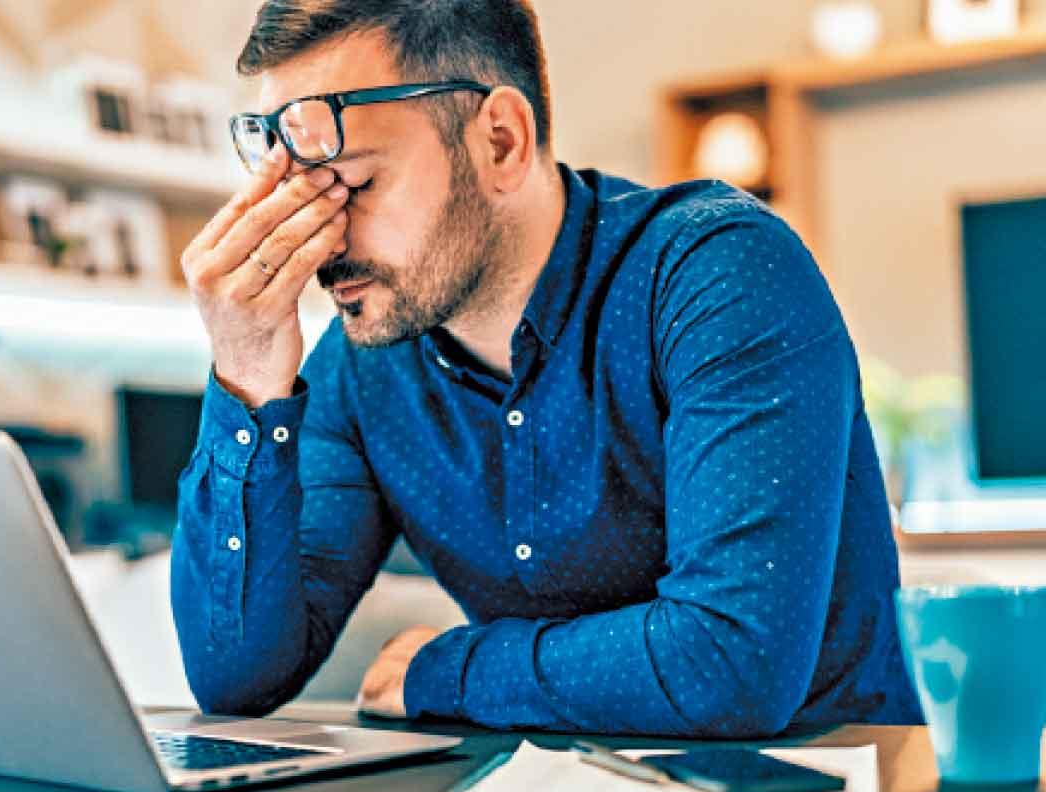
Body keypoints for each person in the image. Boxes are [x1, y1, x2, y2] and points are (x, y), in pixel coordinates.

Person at [172, 0, 923, 737]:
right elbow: (236, 679)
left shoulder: (720, 274)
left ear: (501, 141)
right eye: (298, 196)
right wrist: (246, 375)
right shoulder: (364, 367)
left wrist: (450, 669)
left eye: (357, 185)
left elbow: (730, 663)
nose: (323, 242)